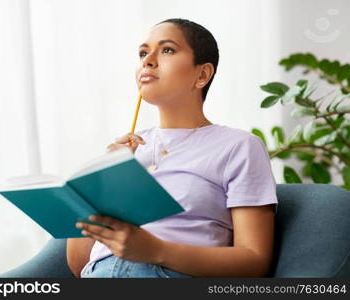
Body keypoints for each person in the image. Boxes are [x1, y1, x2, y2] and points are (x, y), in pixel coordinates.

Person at [66, 18, 278, 278]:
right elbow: (79, 264)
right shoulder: (123, 151)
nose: (148, 60)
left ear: (202, 74)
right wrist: (104, 178)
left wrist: (155, 250)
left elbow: (254, 262)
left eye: (167, 50)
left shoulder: (239, 147)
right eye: (143, 53)